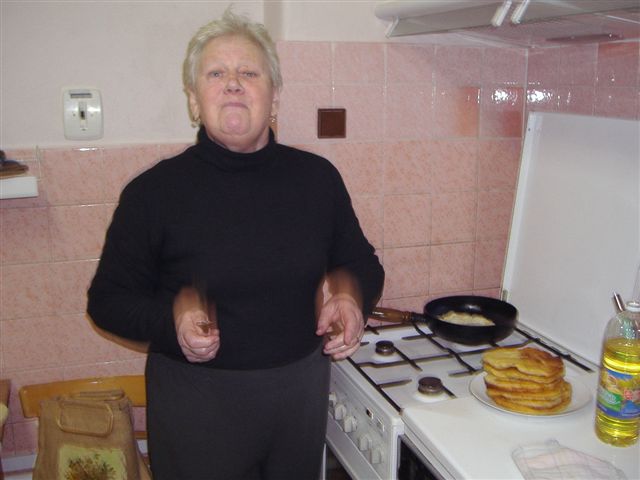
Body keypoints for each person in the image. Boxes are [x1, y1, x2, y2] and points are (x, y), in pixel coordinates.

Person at [87, 8, 384, 480]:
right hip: (196, 407)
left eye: (249, 73)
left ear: (274, 96)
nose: (232, 84)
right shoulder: (153, 193)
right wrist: (171, 323)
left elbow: (361, 262)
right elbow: (106, 302)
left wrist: (352, 298)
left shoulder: (317, 179)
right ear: (193, 100)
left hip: (299, 398)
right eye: (216, 74)